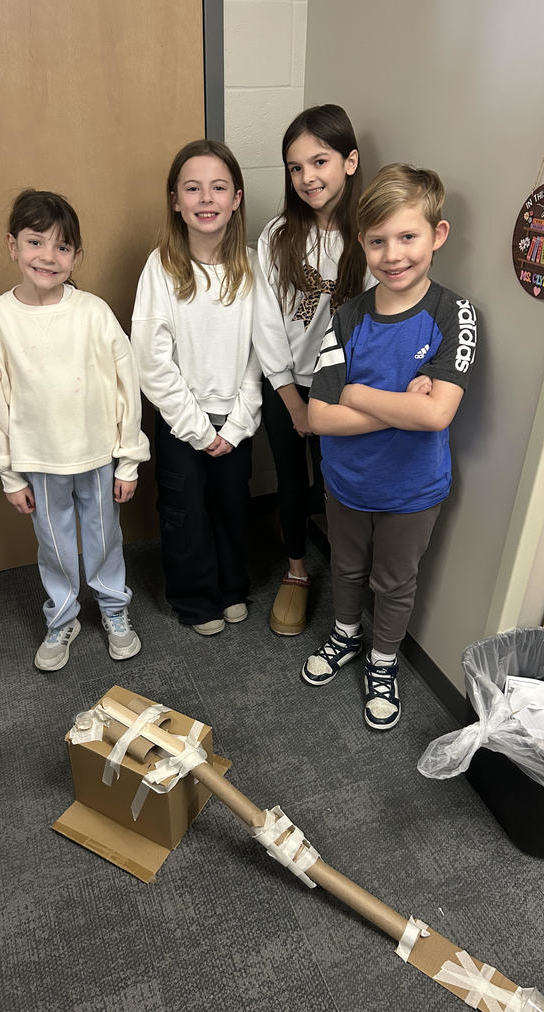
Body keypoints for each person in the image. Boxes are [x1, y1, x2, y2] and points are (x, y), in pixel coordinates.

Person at [302, 163, 478, 730]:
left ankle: (383, 663)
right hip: (347, 482)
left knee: (394, 580)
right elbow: (318, 416)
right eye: (378, 241)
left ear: (437, 236)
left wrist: (359, 394)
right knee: (348, 569)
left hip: (413, 489)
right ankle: (346, 636)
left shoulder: (454, 313)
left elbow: (436, 413)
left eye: (408, 237)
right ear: (362, 244)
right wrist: (396, 405)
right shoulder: (348, 316)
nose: (393, 254)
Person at [0, 189, 150, 671]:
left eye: (62, 247)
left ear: (77, 255)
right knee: (53, 545)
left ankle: (114, 610)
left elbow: (125, 386)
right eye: (35, 243)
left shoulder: (93, 312)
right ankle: (63, 616)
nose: (47, 257)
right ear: (12, 245)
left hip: (96, 456)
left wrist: (129, 458)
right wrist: (7, 474)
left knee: (104, 537)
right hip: (38, 463)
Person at [131, 140, 260, 636]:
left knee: (231, 507)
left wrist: (243, 419)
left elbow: (261, 352)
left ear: (237, 198)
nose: (206, 199)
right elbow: (151, 359)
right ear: (175, 201)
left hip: (239, 421)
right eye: (193, 188)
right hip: (182, 422)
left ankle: (231, 589)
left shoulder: (253, 268)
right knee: (184, 515)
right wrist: (198, 429)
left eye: (218, 187)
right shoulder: (160, 268)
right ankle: (195, 600)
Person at [253, 104, 369, 637]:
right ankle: (297, 572)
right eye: (295, 167)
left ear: (350, 161)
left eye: (318, 162)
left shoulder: (372, 235)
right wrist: (292, 398)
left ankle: (349, 581)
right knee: (291, 478)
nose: (307, 177)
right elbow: (267, 324)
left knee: (339, 482)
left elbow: (375, 322)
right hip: (287, 385)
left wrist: (335, 398)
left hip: (346, 388)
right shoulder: (277, 235)